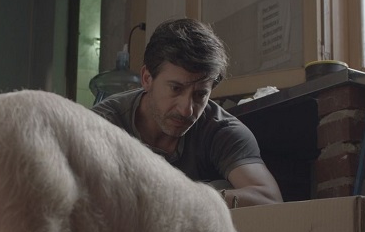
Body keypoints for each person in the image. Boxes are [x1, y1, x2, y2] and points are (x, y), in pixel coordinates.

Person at [91, 18, 283, 208]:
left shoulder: (221, 130)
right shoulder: (103, 124)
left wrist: (190, 198)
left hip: (193, 226)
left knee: (222, 188)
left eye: (200, 94)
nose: (187, 110)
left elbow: (270, 200)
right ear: (147, 79)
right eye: (176, 89)